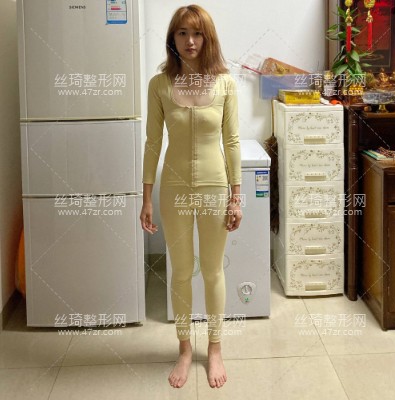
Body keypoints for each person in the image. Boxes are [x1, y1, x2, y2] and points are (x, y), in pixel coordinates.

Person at [140, 4, 242, 389]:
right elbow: (153, 143)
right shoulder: (159, 85)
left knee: (213, 270)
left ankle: (214, 348)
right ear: (173, 39)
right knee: (181, 271)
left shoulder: (225, 84)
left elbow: (232, 142)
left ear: (208, 38)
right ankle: (184, 348)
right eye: (182, 33)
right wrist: (146, 197)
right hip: (175, 190)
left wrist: (236, 197)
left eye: (197, 33)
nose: (190, 41)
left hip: (215, 188)